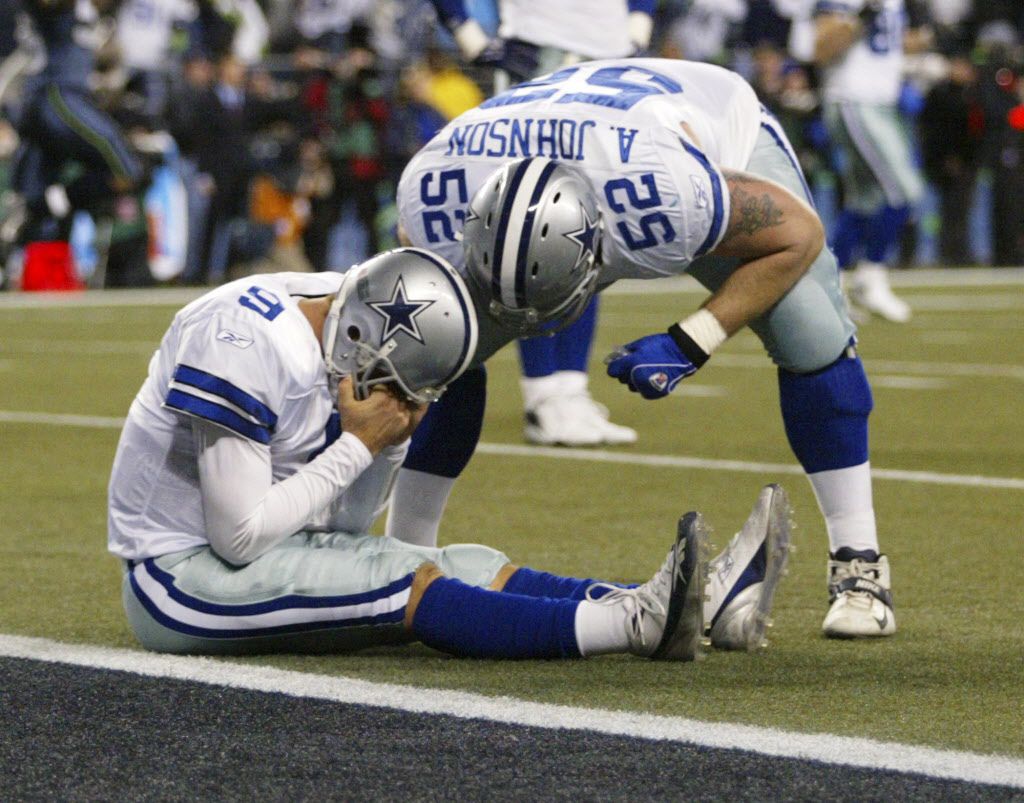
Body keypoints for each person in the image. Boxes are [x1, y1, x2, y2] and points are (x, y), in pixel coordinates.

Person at [394, 58, 896, 639]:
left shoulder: (665, 198)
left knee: (809, 329)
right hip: (554, 139)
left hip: (697, 126)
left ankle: (860, 567)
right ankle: (404, 555)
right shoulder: (433, 195)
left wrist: (693, 340)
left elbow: (798, 233)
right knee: (435, 345)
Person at [108, 246, 791, 657]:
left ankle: (682, 605)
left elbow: (340, 529)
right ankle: (635, 623)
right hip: (177, 578)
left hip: (250, 551)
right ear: (357, 340)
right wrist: (359, 444)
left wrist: (377, 449)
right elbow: (237, 536)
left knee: (461, 562)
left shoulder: (353, 310)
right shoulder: (241, 337)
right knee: (408, 580)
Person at [430, 0, 654, 447]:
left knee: (592, 226)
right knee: (534, 227)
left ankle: (570, 390)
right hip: (539, 54)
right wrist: (468, 35)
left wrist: (638, 27)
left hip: (609, 59)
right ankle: (542, 393)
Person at [813, 0, 930, 323]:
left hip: (881, 103)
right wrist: (860, 17)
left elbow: (889, 44)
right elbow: (820, 49)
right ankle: (871, 273)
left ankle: (828, 286)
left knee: (865, 201)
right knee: (904, 191)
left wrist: (926, 41)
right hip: (855, 100)